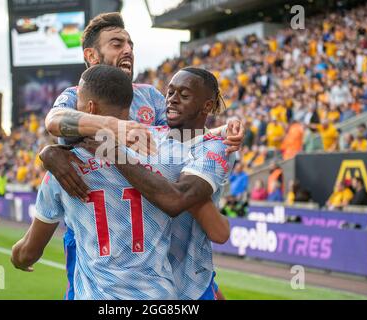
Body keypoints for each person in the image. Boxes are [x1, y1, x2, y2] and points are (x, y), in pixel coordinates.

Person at [38, 12, 245, 300]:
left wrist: (217, 131)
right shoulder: (76, 94)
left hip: (157, 232)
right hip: (100, 237)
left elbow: (180, 137)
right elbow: (55, 121)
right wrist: (54, 151)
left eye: (130, 44)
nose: (127, 50)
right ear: (91, 54)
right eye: (116, 43)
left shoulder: (150, 96)